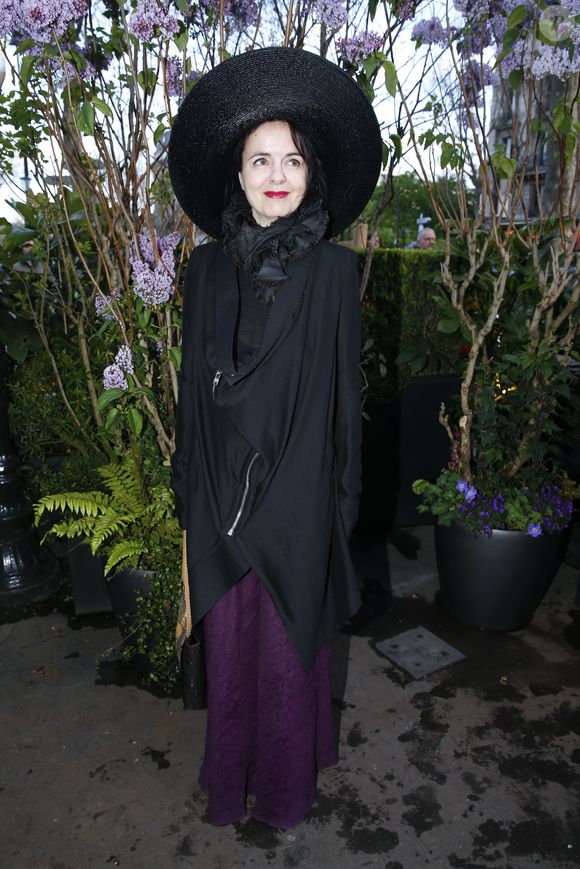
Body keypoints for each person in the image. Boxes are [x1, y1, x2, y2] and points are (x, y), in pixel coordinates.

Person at [167, 47, 382, 829]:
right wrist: (188, 492)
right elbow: (193, 390)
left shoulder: (332, 273)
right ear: (238, 174)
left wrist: (340, 507)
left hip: (295, 494)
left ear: (312, 171)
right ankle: (228, 778)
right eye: (261, 158)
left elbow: (342, 400)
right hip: (222, 492)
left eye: (292, 158)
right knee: (230, 650)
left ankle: (289, 786)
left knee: (290, 653)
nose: (277, 173)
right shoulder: (203, 272)